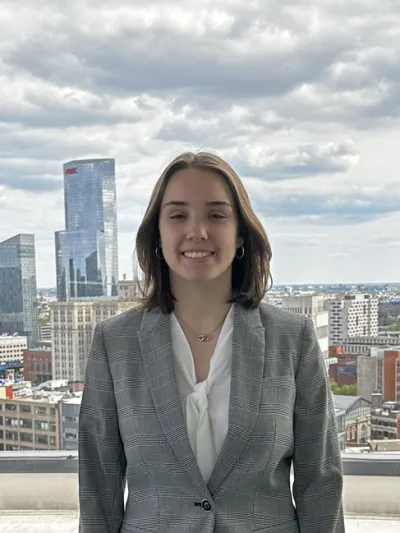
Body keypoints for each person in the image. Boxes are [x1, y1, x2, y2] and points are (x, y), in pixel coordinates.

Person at [78, 151, 345, 533]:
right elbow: (97, 488)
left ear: (240, 235)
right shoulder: (114, 343)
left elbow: (320, 482)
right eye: (178, 215)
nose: (197, 231)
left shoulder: (293, 340)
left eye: (216, 214)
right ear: (158, 234)